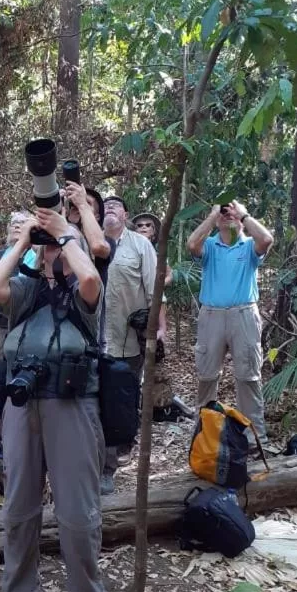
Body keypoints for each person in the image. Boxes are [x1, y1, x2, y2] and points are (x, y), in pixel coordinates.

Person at [0, 208, 108, 592]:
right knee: (19, 504)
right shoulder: (26, 290)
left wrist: (67, 234)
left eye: (56, 245)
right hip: (22, 405)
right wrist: (26, 242)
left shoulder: (84, 292)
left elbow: (91, 279)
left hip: (72, 405)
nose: (51, 250)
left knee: (77, 508)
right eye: (48, 245)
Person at [187, 200, 274, 442]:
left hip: (243, 315)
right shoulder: (210, 246)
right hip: (211, 315)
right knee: (206, 376)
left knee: (248, 377)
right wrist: (213, 215)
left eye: (231, 212)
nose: (228, 215)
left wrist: (243, 216)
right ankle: (204, 436)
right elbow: (192, 244)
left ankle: (255, 438)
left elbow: (266, 240)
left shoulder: (248, 247)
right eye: (224, 212)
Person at [101, 195, 166, 494]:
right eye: (105, 205)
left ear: (125, 214)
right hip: (91, 342)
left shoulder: (140, 246)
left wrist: (160, 328)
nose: (110, 208)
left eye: (116, 205)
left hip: (128, 341)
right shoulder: (89, 243)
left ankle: (109, 467)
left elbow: (155, 291)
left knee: (122, 402)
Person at [0, 211, 36, 445]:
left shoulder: (36, 254)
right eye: (13, 224)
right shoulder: (1, 255)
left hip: (25, 328)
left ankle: (14, 433)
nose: (17, 227)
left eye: (22, 224)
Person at [131, 211, 194, 422]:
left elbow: (170, 274)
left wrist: (158, 285)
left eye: (148, 225)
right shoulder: (127, 249)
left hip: (155, 305)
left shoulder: (158, 254)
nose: (143, 228)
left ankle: (160, 404)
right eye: (139, 225)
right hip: (133, 308)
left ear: (154, 231)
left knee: (155, 356)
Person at [63, 184, 113, 350]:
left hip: (87, 332)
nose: (77, 204)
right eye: (74, 203)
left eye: (87, 202)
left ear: (97, 216)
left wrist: (83, 205)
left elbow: (97, 246)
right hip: (52, 325)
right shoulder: (54, 239)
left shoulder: (107, 243)